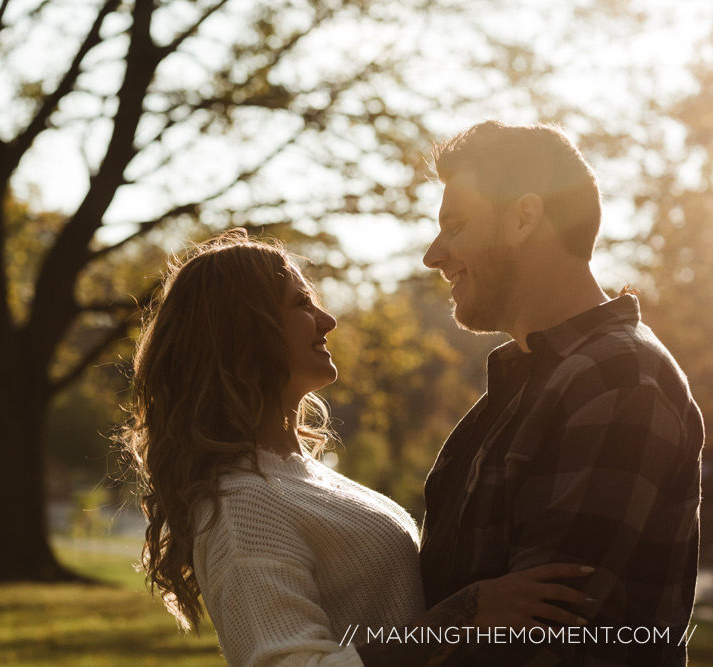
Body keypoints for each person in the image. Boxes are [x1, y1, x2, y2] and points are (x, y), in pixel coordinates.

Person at [120, 229, 592, 666]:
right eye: (302, 303)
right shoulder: (243, 506)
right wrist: (461, 616)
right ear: (241, 333)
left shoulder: (298, 477)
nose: (327, 320)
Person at [408, 120, 704, 666]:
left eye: (454, 225)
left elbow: (535, 638)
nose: (434, 254)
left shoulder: (618, 376)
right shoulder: (528, 383)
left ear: (523, 218)